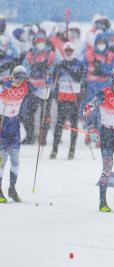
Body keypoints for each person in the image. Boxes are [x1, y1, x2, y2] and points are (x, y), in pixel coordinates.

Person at [83, 72, 114, 212]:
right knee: (107, 169)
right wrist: (91, 128)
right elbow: (87, 110)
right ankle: (102, 202)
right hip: (107, 133)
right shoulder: (103, 94)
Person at [0, 66, 37, 203]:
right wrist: (4, 86)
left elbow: (43, 94)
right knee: (2, 160)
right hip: (2, 122)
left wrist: (48, 85)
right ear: (12, 75)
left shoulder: (26, 86)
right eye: (17, 77)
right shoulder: (5, 83)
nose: (19, 81)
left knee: (15, 160)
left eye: (22, 78)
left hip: (14, 124)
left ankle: (12, 188)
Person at [50, 42, 85, 160]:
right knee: (59, 126)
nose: (69, 53)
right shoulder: (59, 64)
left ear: (74, 51)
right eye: (67, 51)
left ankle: (72, 151)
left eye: (71, 51)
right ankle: (54, 151)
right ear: (64, 52)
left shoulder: (78, 64)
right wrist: (55, 95)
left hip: (74, 99)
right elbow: (54, 80)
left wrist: (67, 69)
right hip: (62, 99)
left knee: (74, 126)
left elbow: (78, 79)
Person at [22, 30, 56, 145]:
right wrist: (33, 70)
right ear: (34, 42)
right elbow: (25, 67)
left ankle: (43, 137)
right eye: (38, 41)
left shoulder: (50, 54)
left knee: (45, 114)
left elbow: (55, 67)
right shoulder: (30, 54)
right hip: (33, 89)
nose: (40, 44)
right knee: (30, 113)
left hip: (46, 88)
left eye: (42, 41)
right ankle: (30, 136)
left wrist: (50, 73)